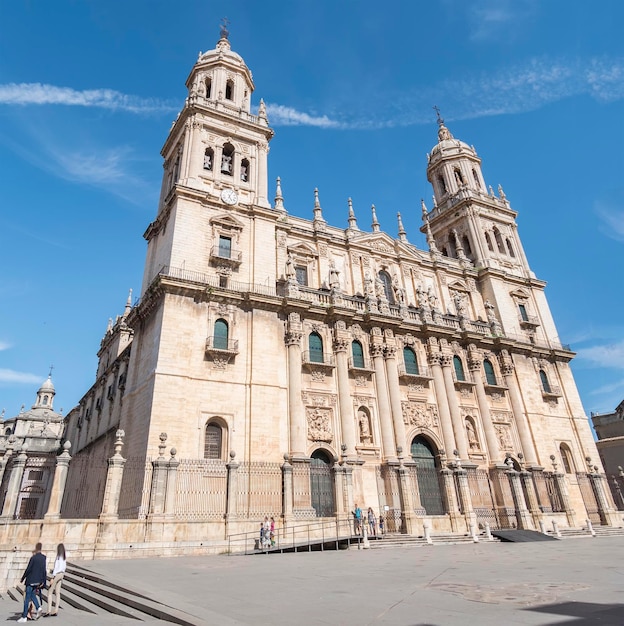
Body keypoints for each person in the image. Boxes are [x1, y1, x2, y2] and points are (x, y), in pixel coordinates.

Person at [18, 542, 46, 623]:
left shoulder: (33, 558)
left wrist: (23, 578)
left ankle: (24, 616)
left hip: (31, 580)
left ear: (36, 548)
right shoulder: (43, 558)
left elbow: (28, 569)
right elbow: (43, 570)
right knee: (33, 595)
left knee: (27, 598)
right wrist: (43, 581)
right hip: (38, 581)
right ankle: (38, 607)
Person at [45, 543, 66, 617]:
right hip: (62, 574)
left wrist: (52, 577)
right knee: (58, 592)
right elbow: (64, 567)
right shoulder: (64, 557)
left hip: (57, 574)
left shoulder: (58, 557)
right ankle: (56, 610)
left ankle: (49, 610)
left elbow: (56, 567)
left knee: (50, 592)